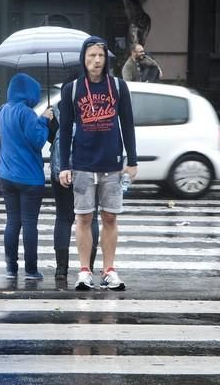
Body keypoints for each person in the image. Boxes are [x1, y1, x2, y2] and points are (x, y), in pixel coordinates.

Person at [58, 36, 138, 291]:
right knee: (83, 218)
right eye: (91, 55)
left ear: (106, 60)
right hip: (81, 162)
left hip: (112, 163)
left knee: (110, 217)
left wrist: (132, 160)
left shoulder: (118, 86)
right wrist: (63, 166)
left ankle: (109, 270)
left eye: (100, 56)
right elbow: (65, 129)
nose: (96, 60)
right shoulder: (71, 89)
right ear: (84, 58)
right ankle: (84, 271)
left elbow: (127, 123)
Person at [0, 73, 54, 281]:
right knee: (29, 223)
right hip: (29, 178)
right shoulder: (27, 113)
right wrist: (44, 120)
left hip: (5, 175)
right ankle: (31, 271)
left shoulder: (2, 110)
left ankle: (11, 269)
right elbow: (38, 141)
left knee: (12, 222)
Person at [49, 92, 100, 280]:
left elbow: (48, 139)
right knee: (90, 219)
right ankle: (88, 266)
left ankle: (61, 269)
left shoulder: (55, 110)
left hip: (61, 171)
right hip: (86, 170)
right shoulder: (92, 109)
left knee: (63, 218)